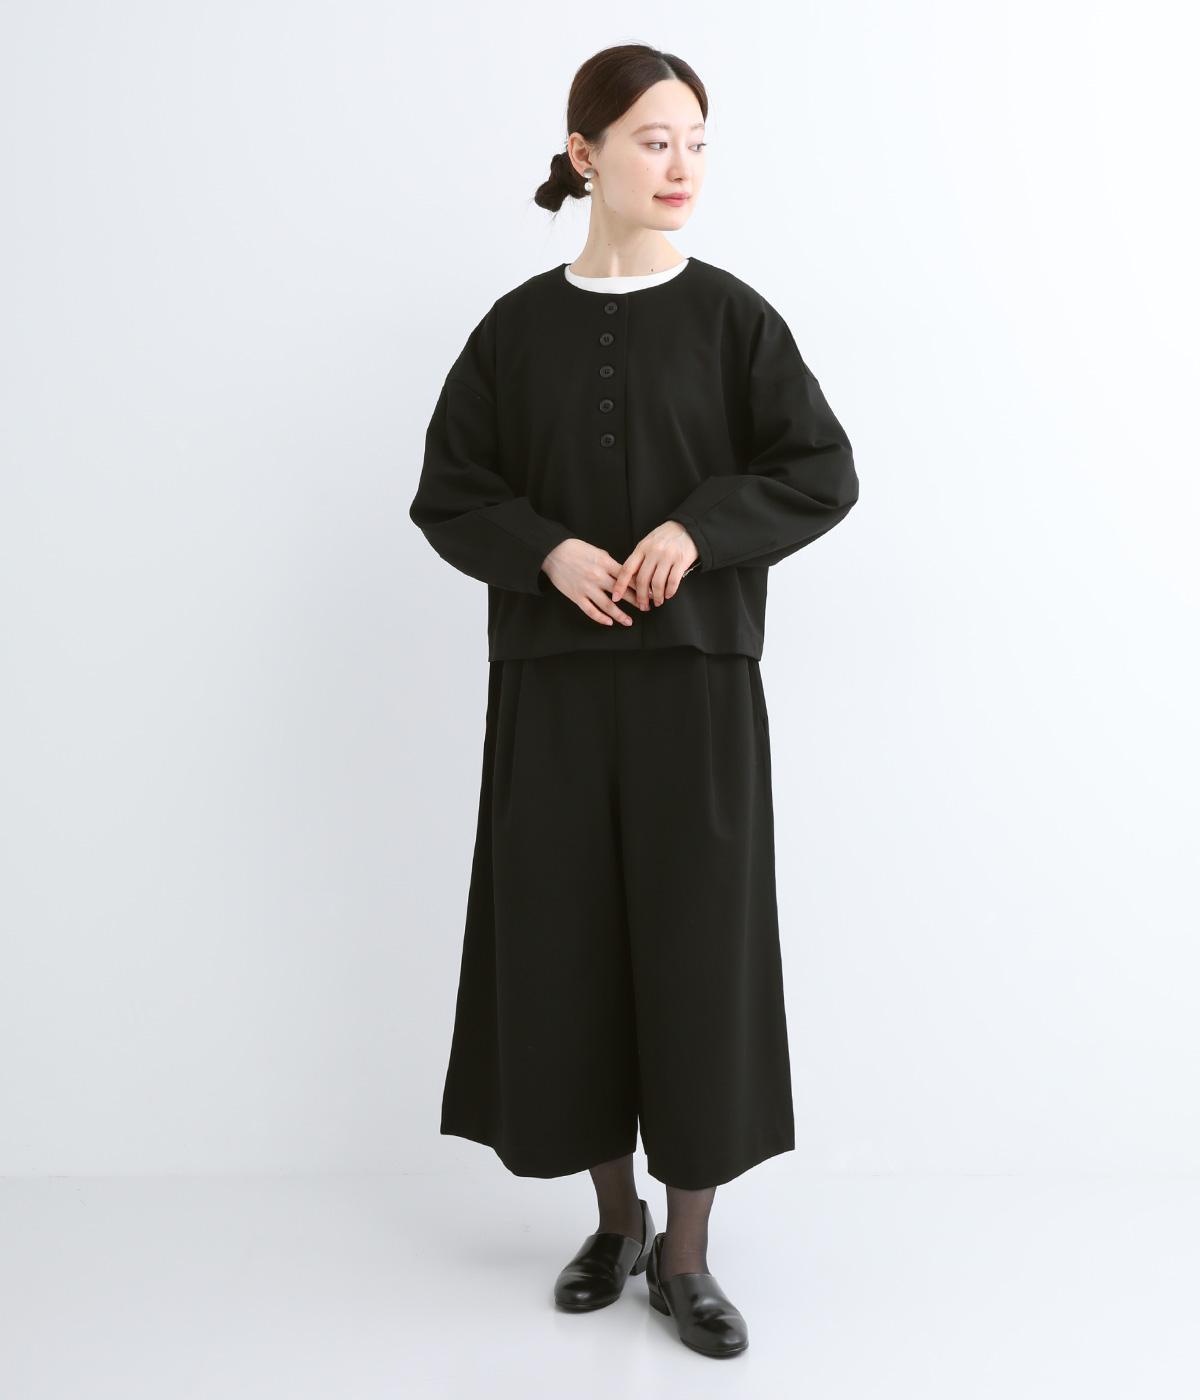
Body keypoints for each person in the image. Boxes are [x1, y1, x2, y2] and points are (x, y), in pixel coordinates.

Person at [408, 43, 859, 1359]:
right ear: (585, 153)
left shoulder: (733, 320)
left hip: (693, 694)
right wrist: (545, 549)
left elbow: (820, 470)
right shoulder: (514, 329)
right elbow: (451, 490)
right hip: (550, 694)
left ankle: (689, 1253)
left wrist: (700, 530)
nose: (681, 166)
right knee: (565, 949)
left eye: (697, 142)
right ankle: (614, 1222)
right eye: (655, 140)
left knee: (697, 956)